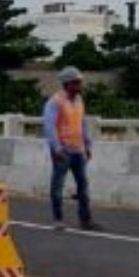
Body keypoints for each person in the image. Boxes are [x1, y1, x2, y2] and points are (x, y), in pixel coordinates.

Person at [42, 66, 99, 231]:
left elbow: (82, 123)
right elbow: (49, 127)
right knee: (58, 185)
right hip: (63, 151)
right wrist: (57, 148)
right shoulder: (55, 102)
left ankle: (85, 220)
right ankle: (58, 219)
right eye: (77, 83)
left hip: (78, 150)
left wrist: (88, 145)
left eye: (80, 82)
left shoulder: (79, 100)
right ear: (67, 84)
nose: (80, 86)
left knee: (83, 185)